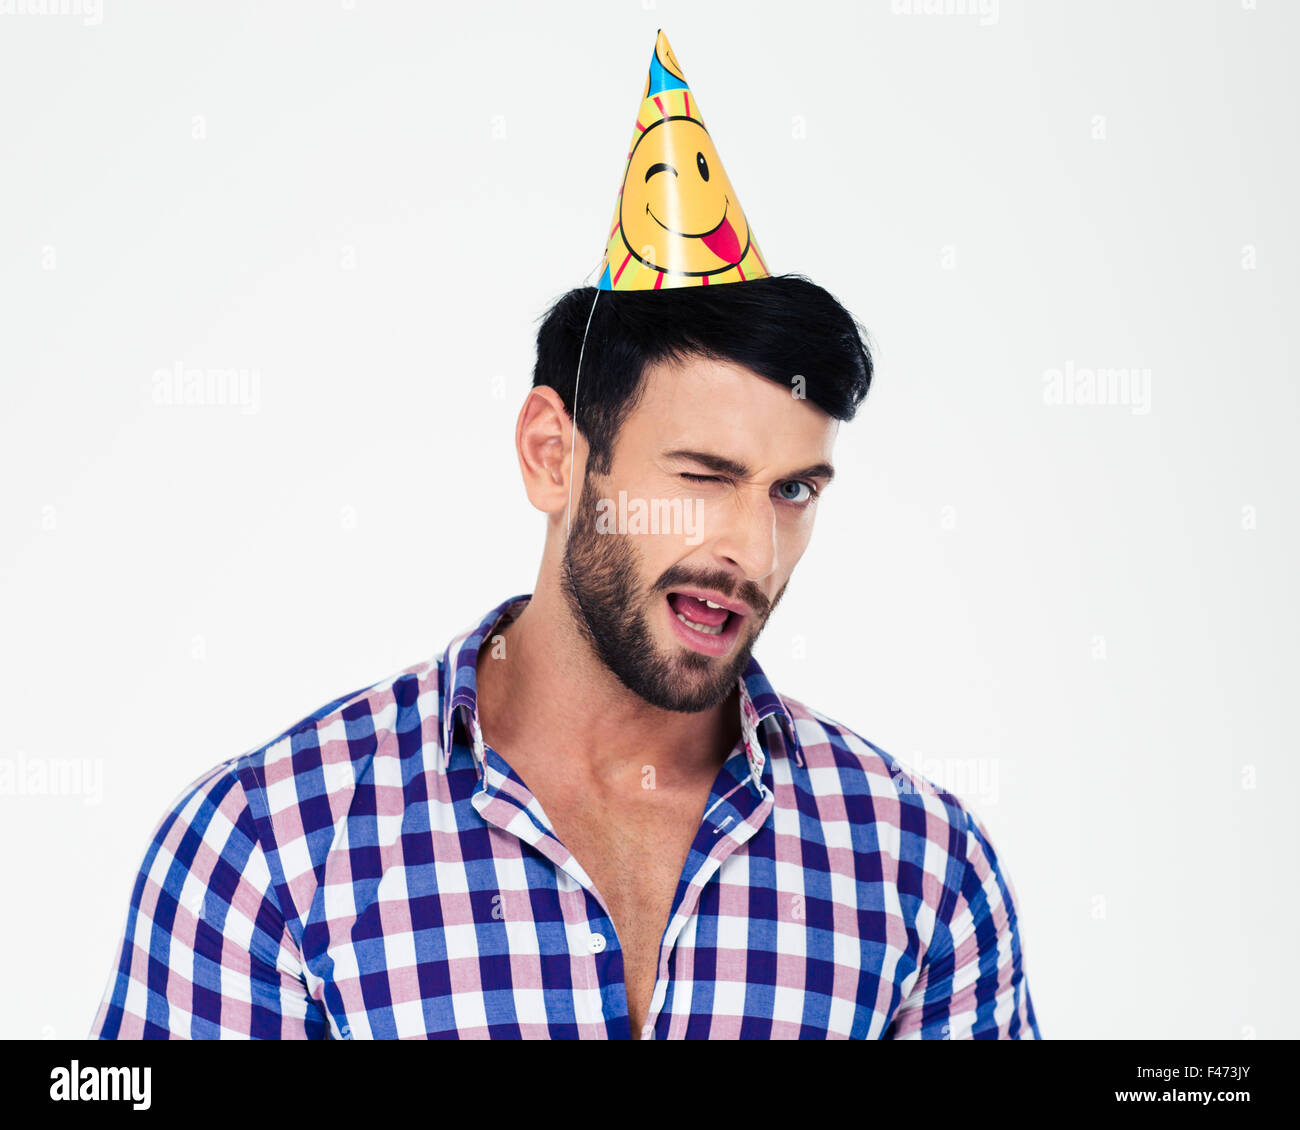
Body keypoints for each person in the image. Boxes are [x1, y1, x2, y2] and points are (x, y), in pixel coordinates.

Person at [90, 31, 1040, 1041]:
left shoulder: (917, 864)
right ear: (553, 454)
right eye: (703, 477)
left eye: (792, 489)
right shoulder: (270, 849)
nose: (751, 552)